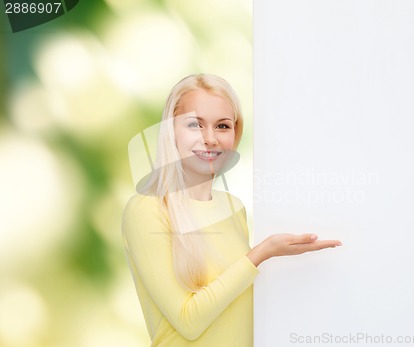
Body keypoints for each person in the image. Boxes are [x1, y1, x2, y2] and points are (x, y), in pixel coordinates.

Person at [122, 74, 342, 347]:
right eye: (195, 124)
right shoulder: (146, 209)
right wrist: (261, 253)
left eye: (222, 126)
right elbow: (188, 321)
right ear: (171, 131)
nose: (210, 138)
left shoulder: (233, 208)